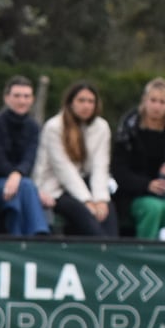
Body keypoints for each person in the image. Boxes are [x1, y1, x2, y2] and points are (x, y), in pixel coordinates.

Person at [109, 77, 165, 240]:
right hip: (133, 195)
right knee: (152, 207)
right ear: (144, 101)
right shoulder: (128, 131)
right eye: (153, 100)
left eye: (163, 102)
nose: (157, 106)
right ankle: (145, 258)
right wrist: (147, 185)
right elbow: (119, 170)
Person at [33, 79, 117, 238]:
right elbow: (64, 170)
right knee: (83, 213)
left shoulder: (101, 127)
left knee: (108, 210)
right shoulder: (54, 127)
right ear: (71, 103)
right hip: (54, 189)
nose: (86, 105)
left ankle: (114, 250)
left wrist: (100, 200)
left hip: (85, 184)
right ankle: (106, 251)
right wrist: (87, 201)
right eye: (81, 100)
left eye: (91, 101)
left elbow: (101, 166)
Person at [0, 76, 49, 236]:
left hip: (20, 183)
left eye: (26, 96)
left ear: (32, 99)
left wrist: (17, 176)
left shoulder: (33, 127)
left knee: (22, 190)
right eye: (17, 96)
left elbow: (29, 159)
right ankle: (38, 236)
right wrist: (15, 175)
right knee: (25, 187)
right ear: (6, 98)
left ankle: (19, 239)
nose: (22, 101)